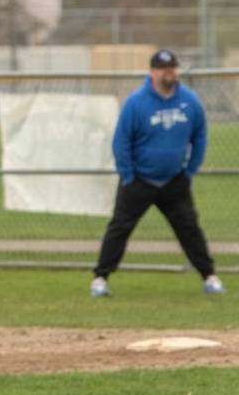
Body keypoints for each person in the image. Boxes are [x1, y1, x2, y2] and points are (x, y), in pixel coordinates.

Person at [90, 48, 225, 297]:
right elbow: (121, 141)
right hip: (139, 180)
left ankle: (209, 276)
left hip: (174, 181)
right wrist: (128, 174)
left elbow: (200, 135)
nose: (168, 72)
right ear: (152, 72)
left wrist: (190, 169)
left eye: (172, 67)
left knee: (189, 228)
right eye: (163, 68)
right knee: (120, 227)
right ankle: (100, 278)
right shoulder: (136, 102)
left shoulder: (189, 100)